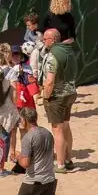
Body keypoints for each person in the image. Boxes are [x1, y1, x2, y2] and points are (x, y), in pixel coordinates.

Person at [36, 30, 77, 171]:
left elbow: (49, 81)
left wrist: (45, 96)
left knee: (57, 129)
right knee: (66, 126)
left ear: (52, 40)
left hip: (57, 96)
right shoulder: (69, 51)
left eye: (45, 39)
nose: (43, 41)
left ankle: (60, 164)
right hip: (70, 92)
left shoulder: (53, 55)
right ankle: (68, 159)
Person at [13, 107, 54, 195]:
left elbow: (25, 163)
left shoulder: (28, 137)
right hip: (49, 178)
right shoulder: (48, 133)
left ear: (24, 119)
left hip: (34, 180)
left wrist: (18, 156)